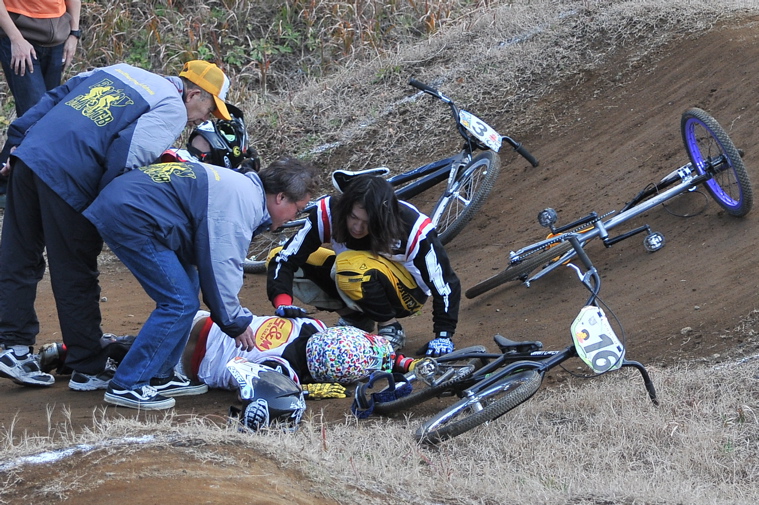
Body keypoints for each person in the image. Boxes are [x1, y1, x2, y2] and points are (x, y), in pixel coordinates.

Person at [0, 60, 232, 390]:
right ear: (194, 93)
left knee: (19, 255)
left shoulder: (123, 70)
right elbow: (128, 153)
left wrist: (15, 144)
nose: (205, 119)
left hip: (31, 156)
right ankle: (86, 365)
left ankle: (15, 350)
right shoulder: (171, 106)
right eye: (209, 109)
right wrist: (111, 205)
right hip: (71, 176)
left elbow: (55, 96)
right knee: (74, 270)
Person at [82, 156, 320, 410]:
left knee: (188, 286)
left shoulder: (245, 190)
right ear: (281, 197)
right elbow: (221, 268)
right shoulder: (243, 203)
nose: (294, 216)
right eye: (297, 208)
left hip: (136, 208)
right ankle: (128, 384)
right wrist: (234, 321)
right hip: (131, 214)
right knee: (179, 302)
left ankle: (162, 375)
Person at [267, 175, 461, 358]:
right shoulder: (329, 212)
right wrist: (283, 301)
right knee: (276, 256)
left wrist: (443, 335)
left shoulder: (411, 227)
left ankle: (390, 327)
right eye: (353, 217)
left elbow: (444, 282)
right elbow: (286, 258)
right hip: (355, 274)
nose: (357, 228)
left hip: (406, 295)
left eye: (367, 223)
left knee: (349, 266)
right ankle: (355, 319)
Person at [0, 0, 81, 199]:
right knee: (35, 114)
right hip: (20, 38)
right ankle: (6, 184)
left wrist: (74, 33)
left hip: (57, 40)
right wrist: (16, 39)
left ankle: (15, 181)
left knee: (44, 117)